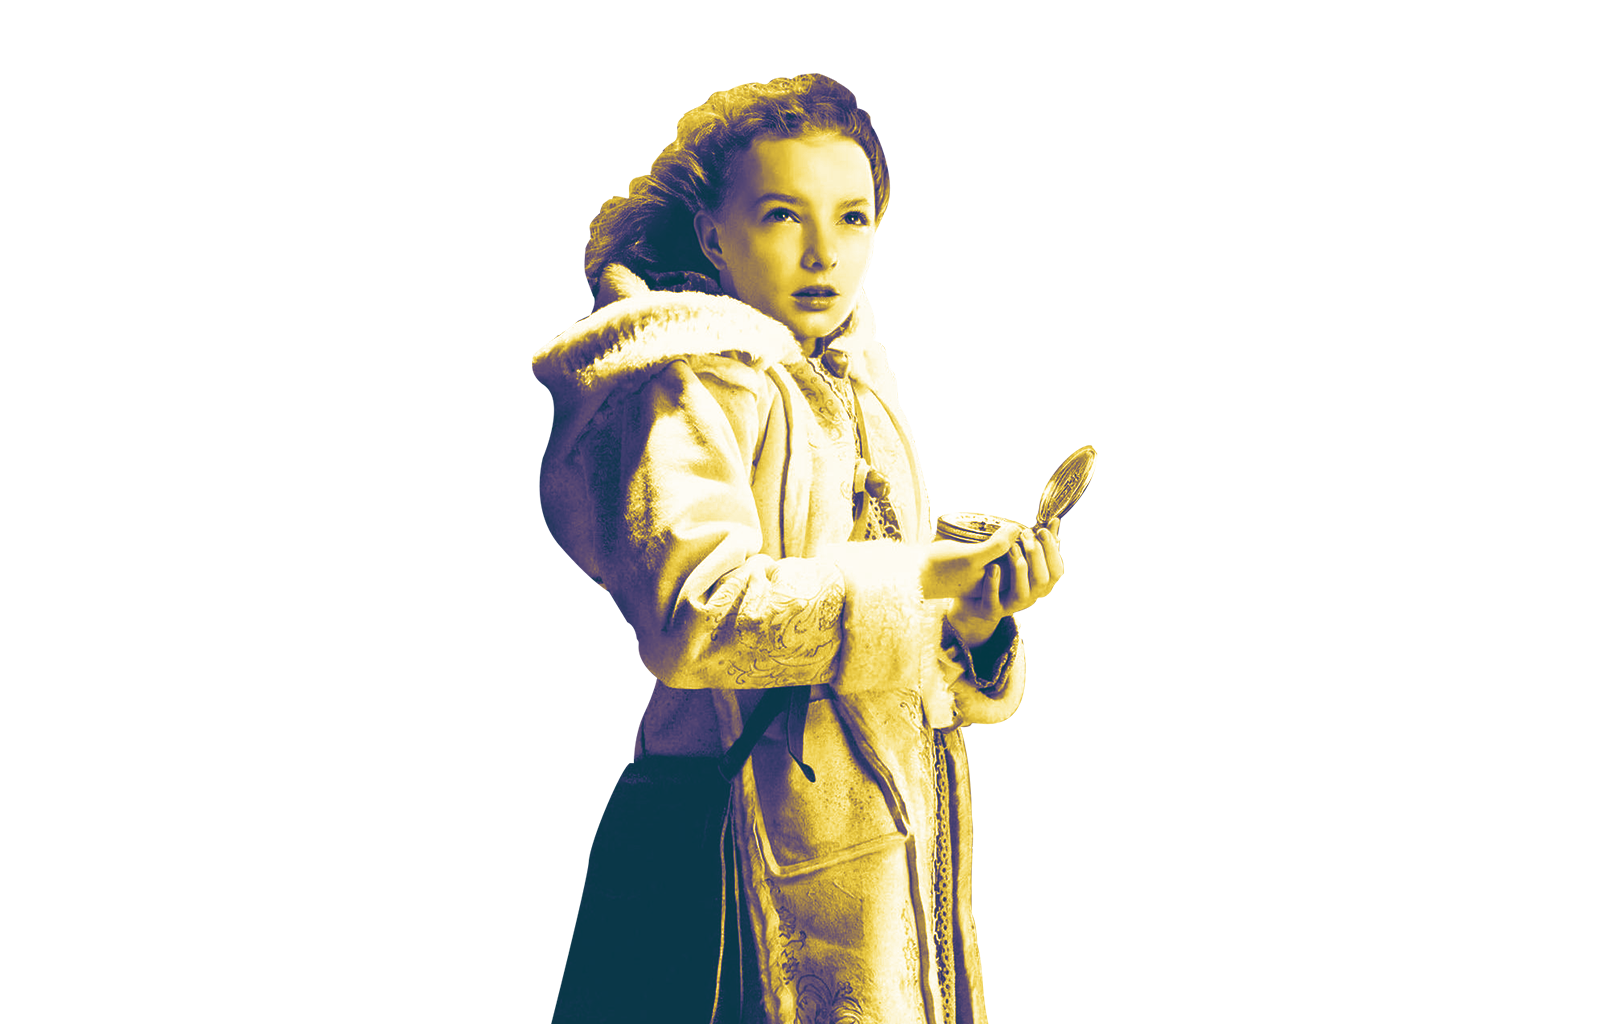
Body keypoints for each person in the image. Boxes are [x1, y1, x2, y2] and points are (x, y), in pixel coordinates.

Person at [534, 75, 1065, 1024]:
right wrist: (921, 578)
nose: (826, 253)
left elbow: (894, 639)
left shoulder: (853, 374)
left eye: (853, 217)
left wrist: (974, 624)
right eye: (783, 215)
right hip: (745, 858)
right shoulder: (698, 383)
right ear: (713, 237)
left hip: (888, 855)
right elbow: (695, 619)